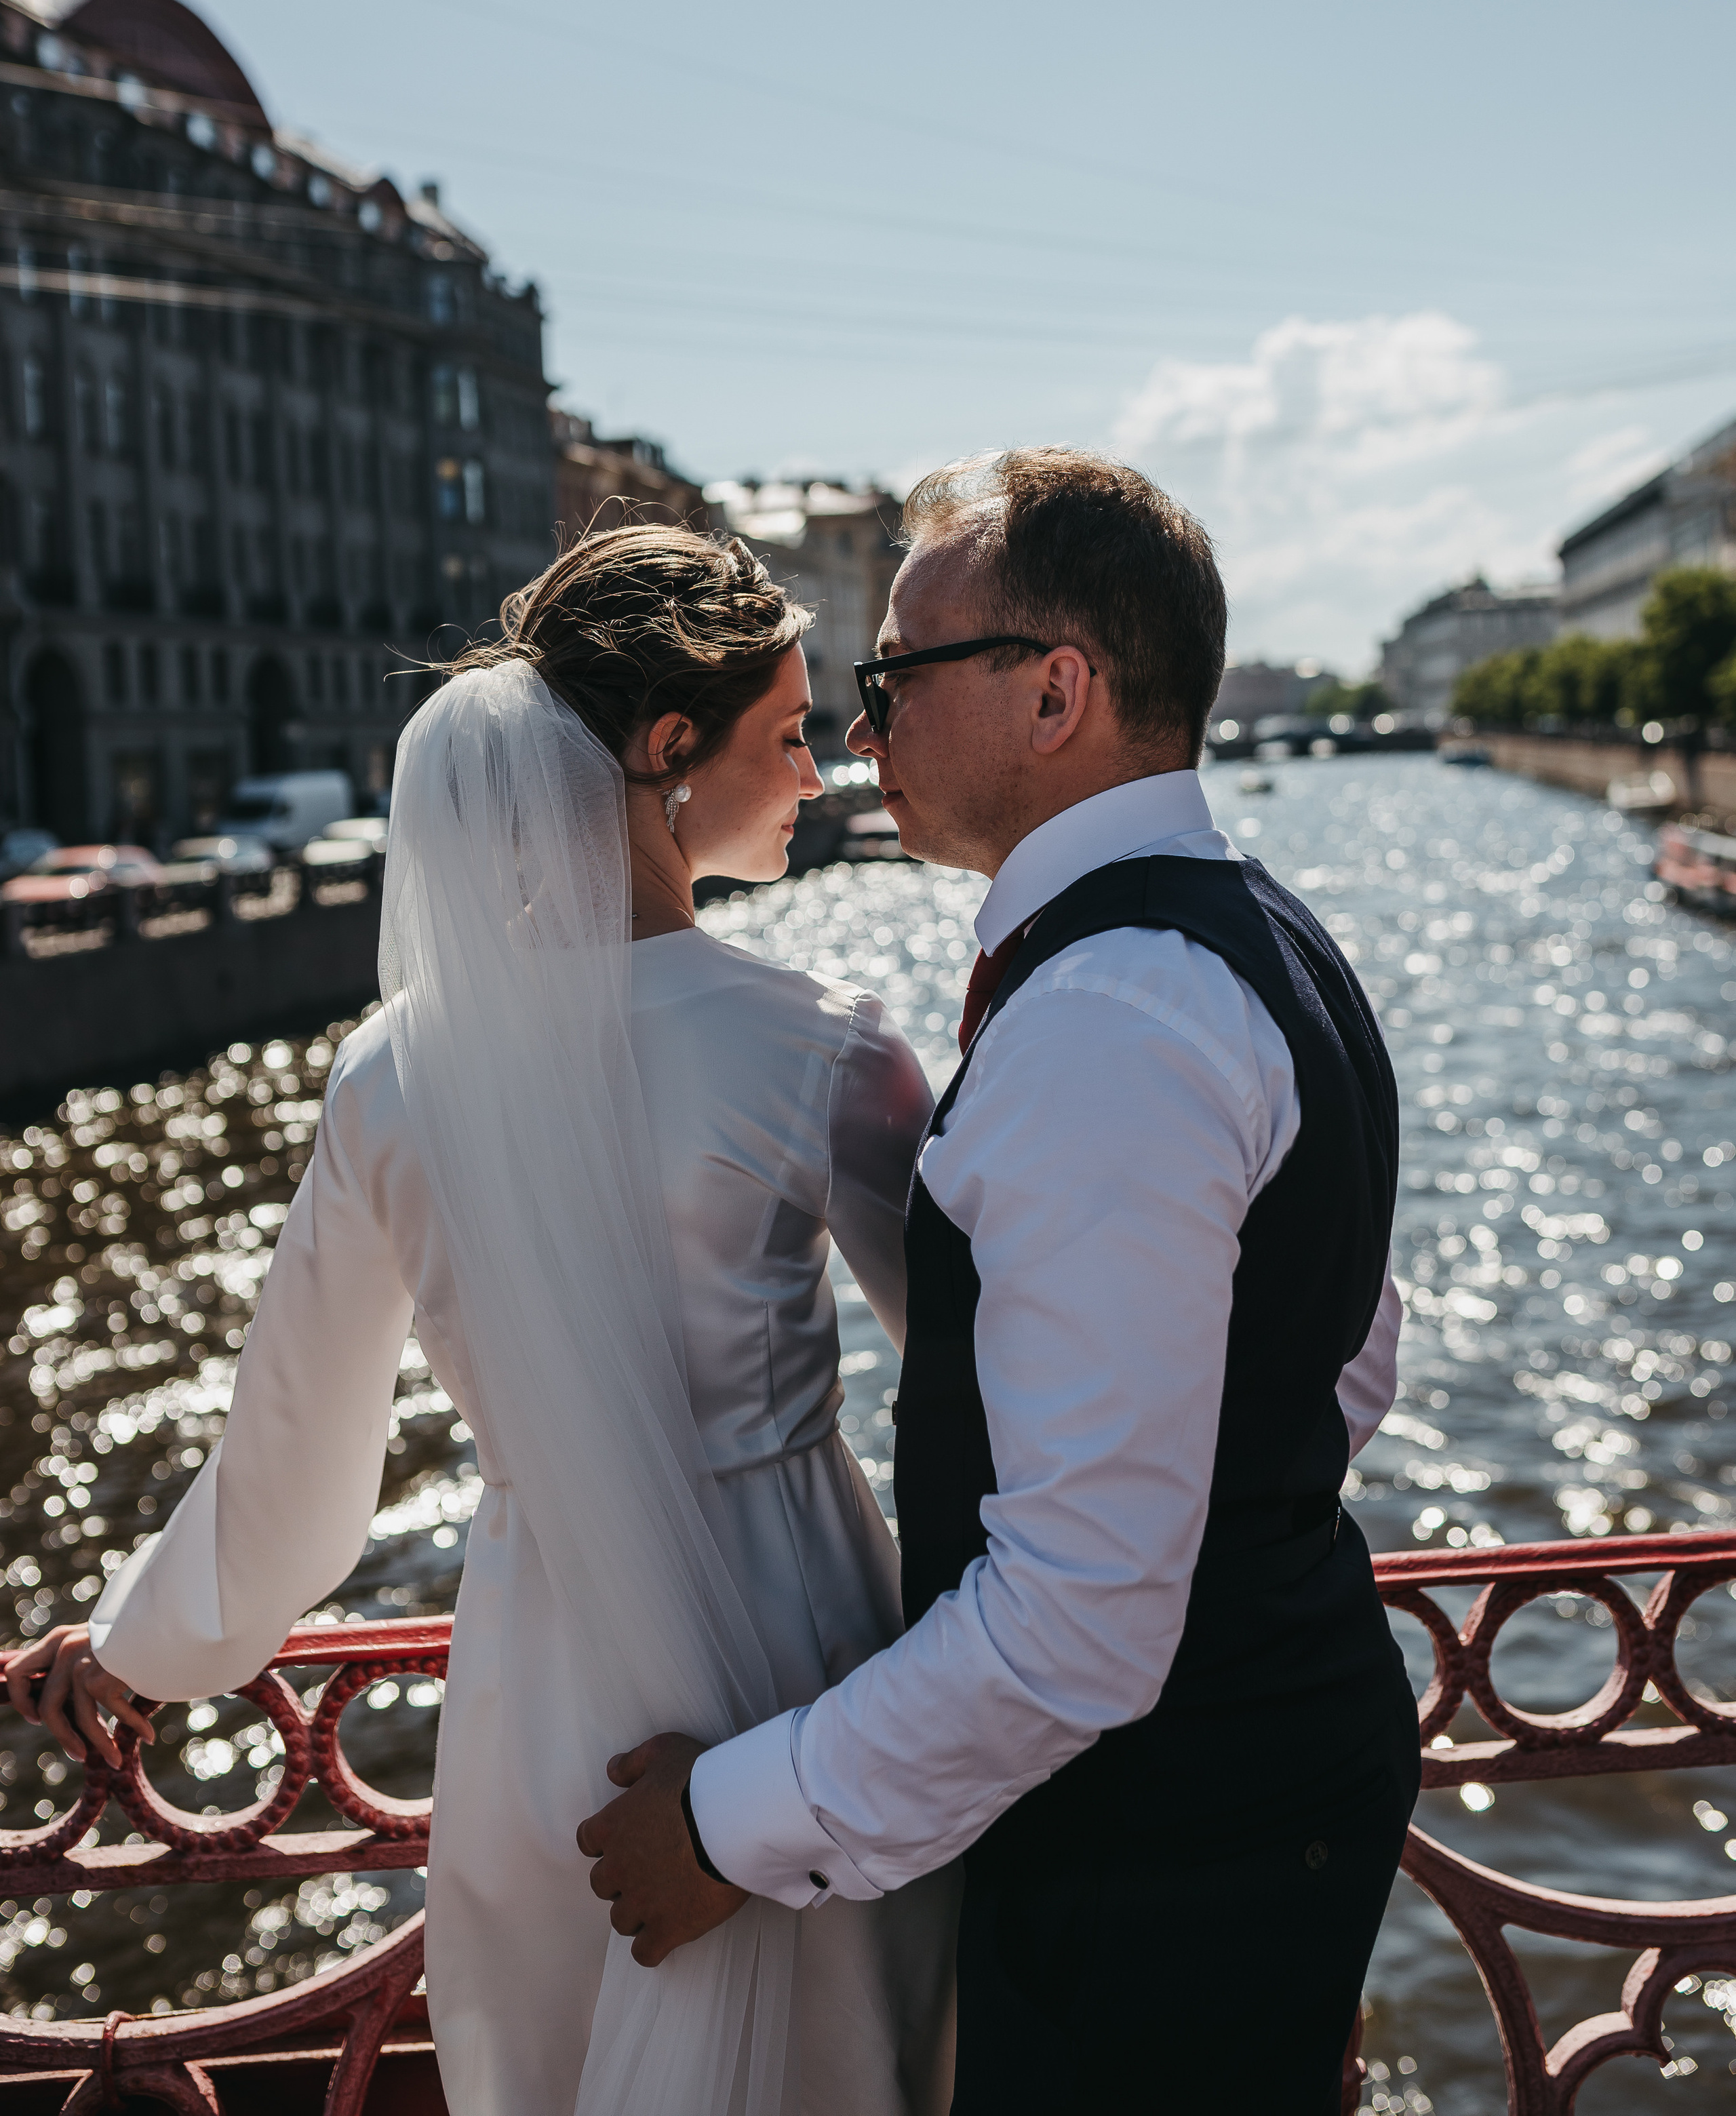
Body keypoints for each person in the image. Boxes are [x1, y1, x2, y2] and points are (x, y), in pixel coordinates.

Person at [1, 526, 959, 2116]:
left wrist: (133, 1651)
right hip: (797, 1660)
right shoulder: (827, 1052)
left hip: (537, 1687)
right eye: (786, 736)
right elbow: (986, 1385)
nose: (816, 774)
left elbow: (295, 1469)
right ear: (667, 751)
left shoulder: (390, 1072)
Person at [578, 450, 1419, 2113]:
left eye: (895, 676)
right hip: (1267, 1777)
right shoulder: (1248, 935)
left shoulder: (1106, 1014)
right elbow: (1346, 1355)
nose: (860, 727)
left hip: (1164, 1845)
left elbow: (1078, 1626)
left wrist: (724, 1826)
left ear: (1055, 693)